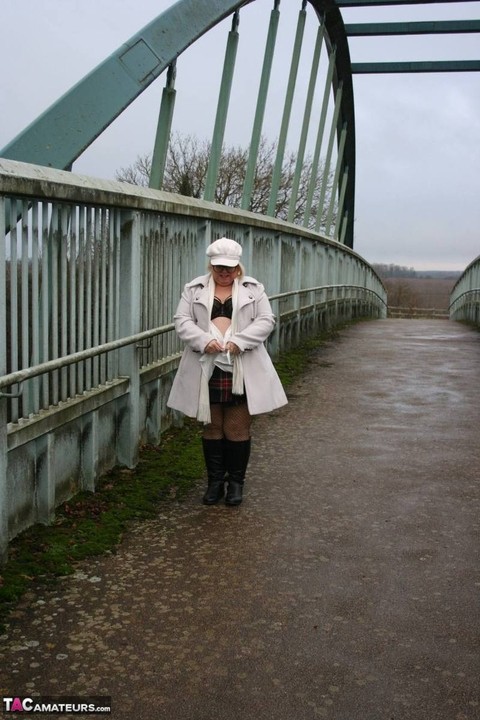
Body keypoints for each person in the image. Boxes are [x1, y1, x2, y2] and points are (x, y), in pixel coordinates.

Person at [167, 237, 288, 506]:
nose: (224, 272)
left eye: (230, 268)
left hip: (241, 365)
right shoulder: (194, 289)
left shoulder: (253, 290)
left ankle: (235, 484)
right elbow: (182, 320)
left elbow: (266, 320)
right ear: (211, 265)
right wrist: (203, 341)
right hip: (205, 365)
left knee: (236, 426)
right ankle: (214, 484)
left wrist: (239, 342)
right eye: (219, 267)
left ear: (238, 267)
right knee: (212, 426)